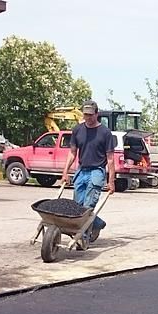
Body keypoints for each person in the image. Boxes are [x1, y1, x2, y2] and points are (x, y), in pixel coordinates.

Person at [60, 100, 116, 242]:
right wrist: (65, 173)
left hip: (97, 172)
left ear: (97, 114)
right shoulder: (78, 130)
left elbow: (110, 159)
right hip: (81, 171)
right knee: (77, 207)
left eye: (91, 115)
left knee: (87, 206)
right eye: (85, 115)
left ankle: (82, 237)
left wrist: (111, 182)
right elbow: (72, 153)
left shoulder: (105, 133)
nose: (88, 118)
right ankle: (97, 223)